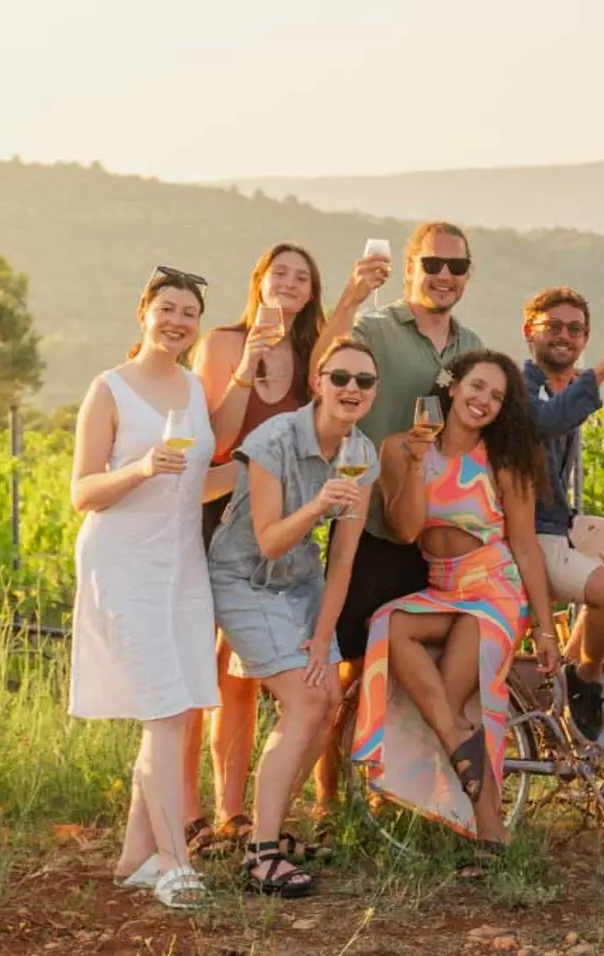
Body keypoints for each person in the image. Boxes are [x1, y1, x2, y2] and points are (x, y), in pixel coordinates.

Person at [69, 266, 232, 908]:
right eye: (167, 307)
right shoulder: (108, 389)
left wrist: (255, 477)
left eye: (189, 313)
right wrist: (139, 467)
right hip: (123, 567)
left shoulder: (194, 390)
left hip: (181, 568)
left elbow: (194, 486)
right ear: (144, 312)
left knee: (179, 708)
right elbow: (83, 493)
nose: (178, 320)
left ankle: (136, 856)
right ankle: (174, 862)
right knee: (164, 712)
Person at [354, 350, 561, 851]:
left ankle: (485, 822)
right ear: (451, 387)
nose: (484, 400)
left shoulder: (503, 460)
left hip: (495, 588)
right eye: (477, 387)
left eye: (497, 396)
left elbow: (527, 548)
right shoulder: (399, 448)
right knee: (388, 622)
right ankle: (473, 795)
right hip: (444, 587)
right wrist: (416, 463)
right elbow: (405, 530)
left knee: (447, 691)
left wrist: (546, 627)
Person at [316, 221, 486, 802]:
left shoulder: (471, 348)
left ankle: (405, 796)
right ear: (410, 266)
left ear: (468, 274)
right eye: (433, 264)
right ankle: (328, 801)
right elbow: (325, 366)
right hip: (372, 528)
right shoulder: (376, 329)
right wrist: (350, 295)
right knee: (349, 670)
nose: (444, 276)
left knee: (414, 675)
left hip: (435, 541)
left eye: (456, 267)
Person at [205, 335, 380, 896]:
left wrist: (321, 637)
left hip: (302, 583)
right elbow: (270, 541)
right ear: (318, 384)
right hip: (244, 578)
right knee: (305, 701)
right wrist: (319, 504)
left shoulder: (362, 455)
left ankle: (273, 832)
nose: (352, 389)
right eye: (341, 378)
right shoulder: (272, 441)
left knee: (327, 698)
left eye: (364, 381)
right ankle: (259, 854)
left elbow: (344, 561)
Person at [184, 241, 321, 858]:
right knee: (202, 671)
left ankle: (234, 813)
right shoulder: (221, 344)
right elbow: (215, 444)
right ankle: (191, 814)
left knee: (241, 675)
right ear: (260, 281)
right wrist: (249, 365)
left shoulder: (312, 355)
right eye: (280, 273)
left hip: (274, 526)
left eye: (302, 277)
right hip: (217, 516)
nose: (291, 283)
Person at [520, 286, 604, 741]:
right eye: (553, 326)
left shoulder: (562, 384)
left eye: (575, 329)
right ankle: (588, 674)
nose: (565, 335)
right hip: (536, 531)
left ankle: (575, 661)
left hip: (563, 520)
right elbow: (545, 421)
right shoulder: (519, 386)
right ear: (528, 332)